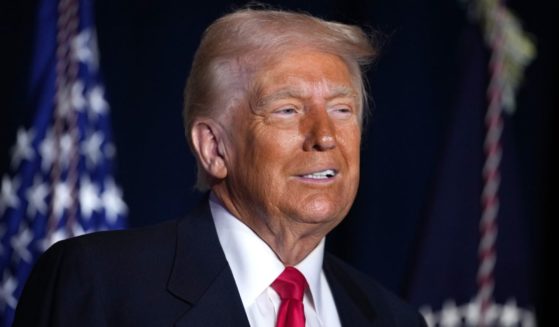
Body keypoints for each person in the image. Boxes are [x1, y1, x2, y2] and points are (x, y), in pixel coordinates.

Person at [13, 8, 427, 327]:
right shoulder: (99, 286)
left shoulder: (393, 318)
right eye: (287, 110)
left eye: (342, 109)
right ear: (214, 147)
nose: (325, 136)